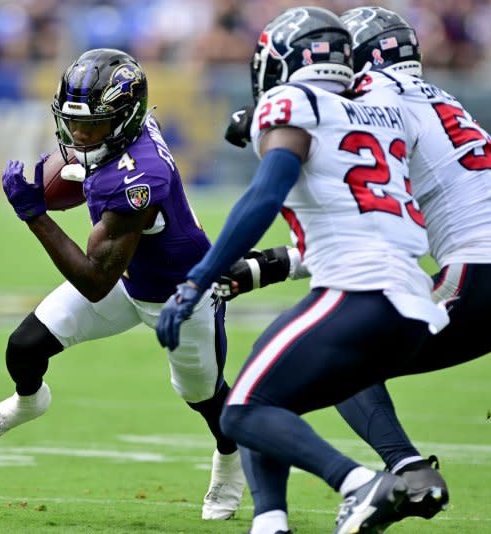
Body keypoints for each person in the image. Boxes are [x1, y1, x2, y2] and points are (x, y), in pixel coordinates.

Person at [220, 6, 491, 507]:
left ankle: (406, 470)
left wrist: (272, 254)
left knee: (347, 354)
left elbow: (369, 221)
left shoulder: (377, 102)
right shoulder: (444, 101)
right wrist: (273, 260)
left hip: (487, 275)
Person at [155, 7, 450, 534]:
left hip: (357, 289)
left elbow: (266, 195)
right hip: (411, 295)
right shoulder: (385, 108)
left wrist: (198, 278)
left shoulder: (292, 102)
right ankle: (273, 521)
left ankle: (362, 484)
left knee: (241, 410)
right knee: (270, 398)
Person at [0, 48, 245, 522]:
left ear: (125, 120)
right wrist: (60, 179)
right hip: (127, 276)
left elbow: (94, 281)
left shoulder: (140, 176)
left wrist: (35, 215)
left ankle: (230, 459)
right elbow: (85, 174)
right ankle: (29, 402)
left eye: (93, 125)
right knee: (25, 347)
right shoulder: (121, 132)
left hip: (180, 293)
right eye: (75, 123)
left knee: (203, 395)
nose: (80, 135)